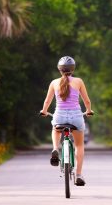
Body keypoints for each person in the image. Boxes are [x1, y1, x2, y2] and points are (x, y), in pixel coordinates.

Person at [40, 56, 93, 186]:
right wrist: (89, 110)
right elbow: (87, 101)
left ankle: (55, 148)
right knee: (79, 145)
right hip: (76, 117)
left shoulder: (54, 83)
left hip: (59, 116)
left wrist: (44, 111)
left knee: (55, 129)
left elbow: (47, 101)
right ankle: (78, 175)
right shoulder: (78, 81)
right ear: (73, 69)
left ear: (60, 69)